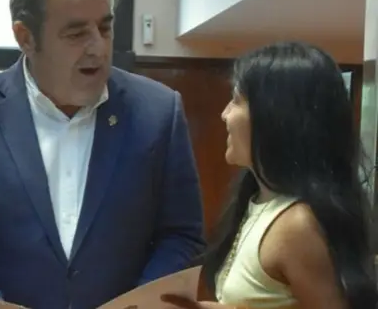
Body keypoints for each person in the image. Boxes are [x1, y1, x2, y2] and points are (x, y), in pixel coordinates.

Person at [0, 0, 206, 309]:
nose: (98, 47)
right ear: (25, 37)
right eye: (76, 33)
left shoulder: (158, 113)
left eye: (105, 28)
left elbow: (182, 237)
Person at [162, 42, 378, 309]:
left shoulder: (297, 225)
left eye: (236, 100)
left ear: (275, 116)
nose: (225, 114)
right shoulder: (257, 201)